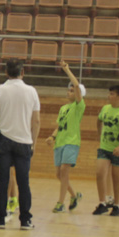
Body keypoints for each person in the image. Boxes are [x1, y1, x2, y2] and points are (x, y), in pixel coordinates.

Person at [0, 58, 40, 230]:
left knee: (2, 181)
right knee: (24, 182)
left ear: (6, 73)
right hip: (24, 141)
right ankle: (25, 220)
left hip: (3, 141)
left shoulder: (1, 91)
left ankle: (0, 218)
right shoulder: (31, 91)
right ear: (22, 72)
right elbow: (36, 121)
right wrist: (34, 142)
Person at [46, 61, 85, 213]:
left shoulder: (79, 106)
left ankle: (60, 203)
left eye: (71, 90)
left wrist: (67, 70)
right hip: (60, 143)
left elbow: (76, 86)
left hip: (72, 143)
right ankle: (74, 195)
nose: (69, 92)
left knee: (64, 171)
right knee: (59, 174)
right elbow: (59, 126)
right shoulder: (63, 108)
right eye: (68, 90)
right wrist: (52, 137)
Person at [92, 85, 119, 217]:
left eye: (111, 94)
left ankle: (116, 205)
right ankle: (102, 203)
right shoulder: (105, 108)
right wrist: (99, 135)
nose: (108, 96)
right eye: (109, 93)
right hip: (105, 148)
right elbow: (99, 121)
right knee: (100, 173)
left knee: (117, 178)